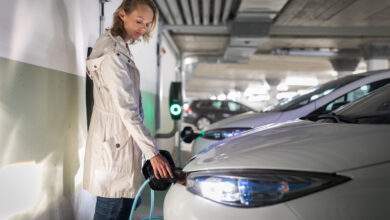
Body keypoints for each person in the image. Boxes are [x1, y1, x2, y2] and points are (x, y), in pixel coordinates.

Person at [83, 0, 173, 219]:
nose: (142, 28)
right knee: (110, 210)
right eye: (139, 21)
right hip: (113, 152)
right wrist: (152, 153)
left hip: (120, 146)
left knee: (126, 206)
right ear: (122, 14)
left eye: (147, 24)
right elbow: (127, 111)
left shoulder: (120, 49)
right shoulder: (113, 54)